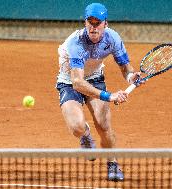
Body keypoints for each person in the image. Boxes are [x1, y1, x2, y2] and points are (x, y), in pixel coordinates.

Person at [56, 3, 143, 181]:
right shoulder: (76, 43)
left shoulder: (113, 38)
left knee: (103, 124)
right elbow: (78, 82)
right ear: (85, 22)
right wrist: (108, 96)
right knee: (76, 127)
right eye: (90, 22)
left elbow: (125, 67)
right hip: (69, 81)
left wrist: (131, 77)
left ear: (106, 24)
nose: (93, 27)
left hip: (95, 78)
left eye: (98, 23)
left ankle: (113, 164)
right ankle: (86, 136)